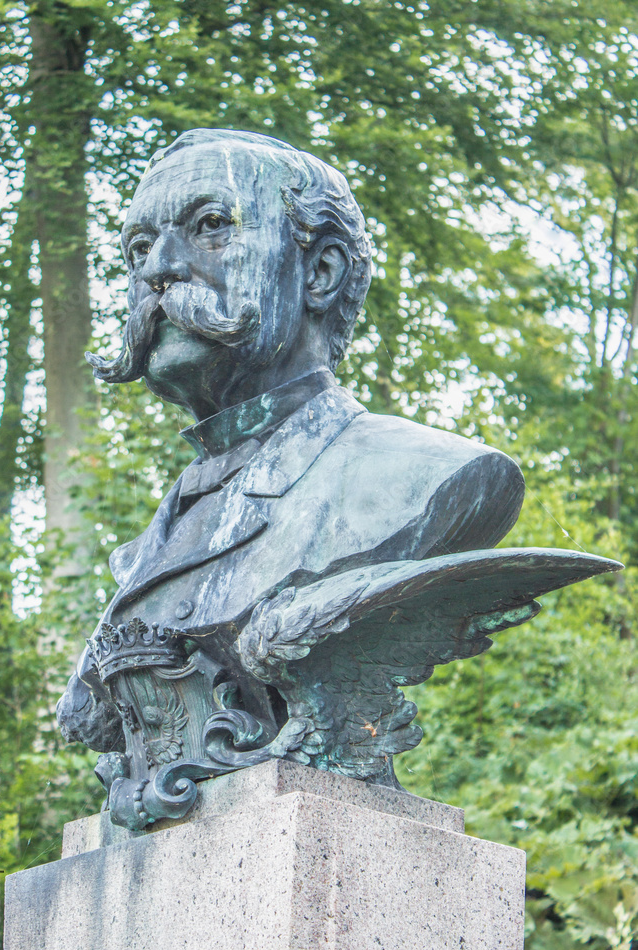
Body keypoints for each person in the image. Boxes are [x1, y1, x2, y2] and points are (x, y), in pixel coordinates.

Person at [57, 130, 524, 793]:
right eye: (138, 248)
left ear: (321, 271)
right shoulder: (149, 546)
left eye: (210, 226)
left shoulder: (421, 477)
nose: (158, 267)